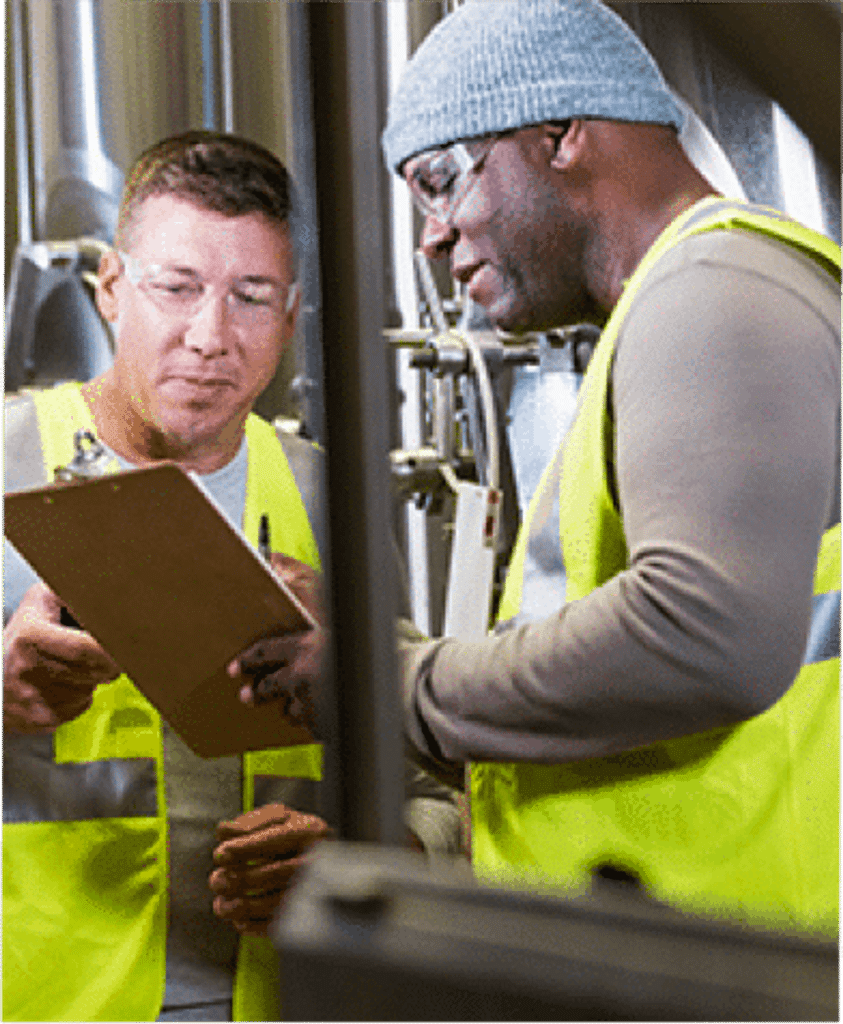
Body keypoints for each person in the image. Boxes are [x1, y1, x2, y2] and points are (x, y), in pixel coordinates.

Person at [375, 0, 840, 935]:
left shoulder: (716, 291)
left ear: (559, 134)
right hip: (679, 948)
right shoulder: (665, 316)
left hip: (742, 953)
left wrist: (409, 685)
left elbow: (699, 635)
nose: (430, 235)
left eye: (440, 180)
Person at [2, 132, 460, 1024]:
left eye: (250, 297)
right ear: (110, 290)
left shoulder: (332, 498)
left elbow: (438, 780)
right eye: (174, 288)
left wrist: (364, 853)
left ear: (290, 317)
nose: (209, 337)